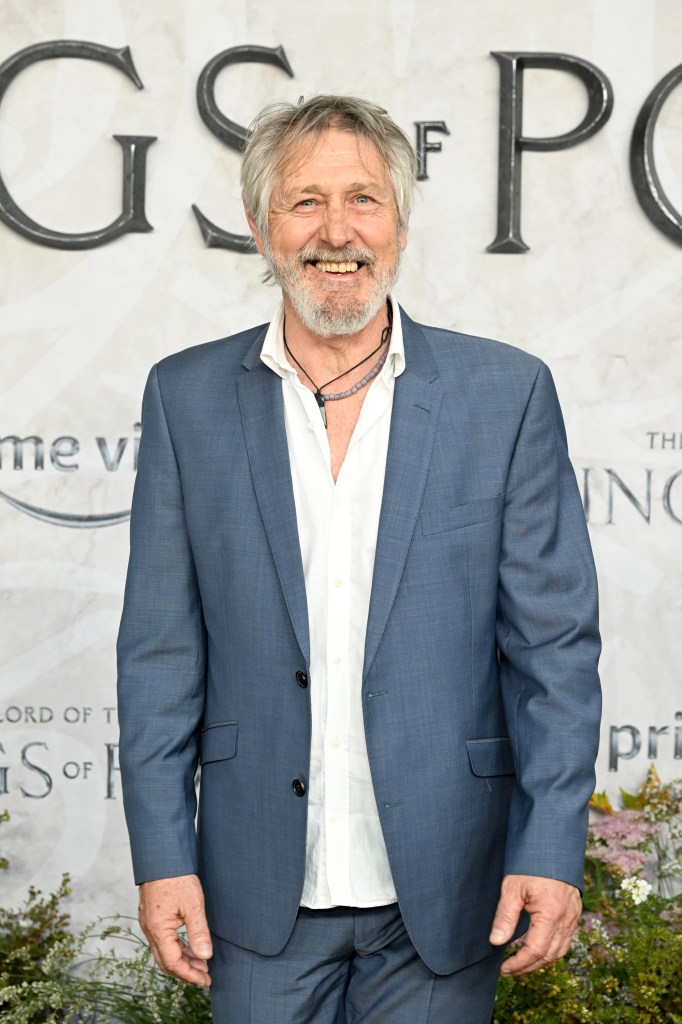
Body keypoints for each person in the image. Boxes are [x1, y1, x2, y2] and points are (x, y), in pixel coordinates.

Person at [117, 94, 601, 1024]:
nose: (336, 232)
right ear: (260, 229)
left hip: (446, 888)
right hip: (255, 895)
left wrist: (548, 848)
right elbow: (159, 656)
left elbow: (555, 654)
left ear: (402, 226)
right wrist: (163, 855)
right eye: (305, 202)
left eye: (363, 200)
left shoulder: (505, 394)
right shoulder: (185, 399)